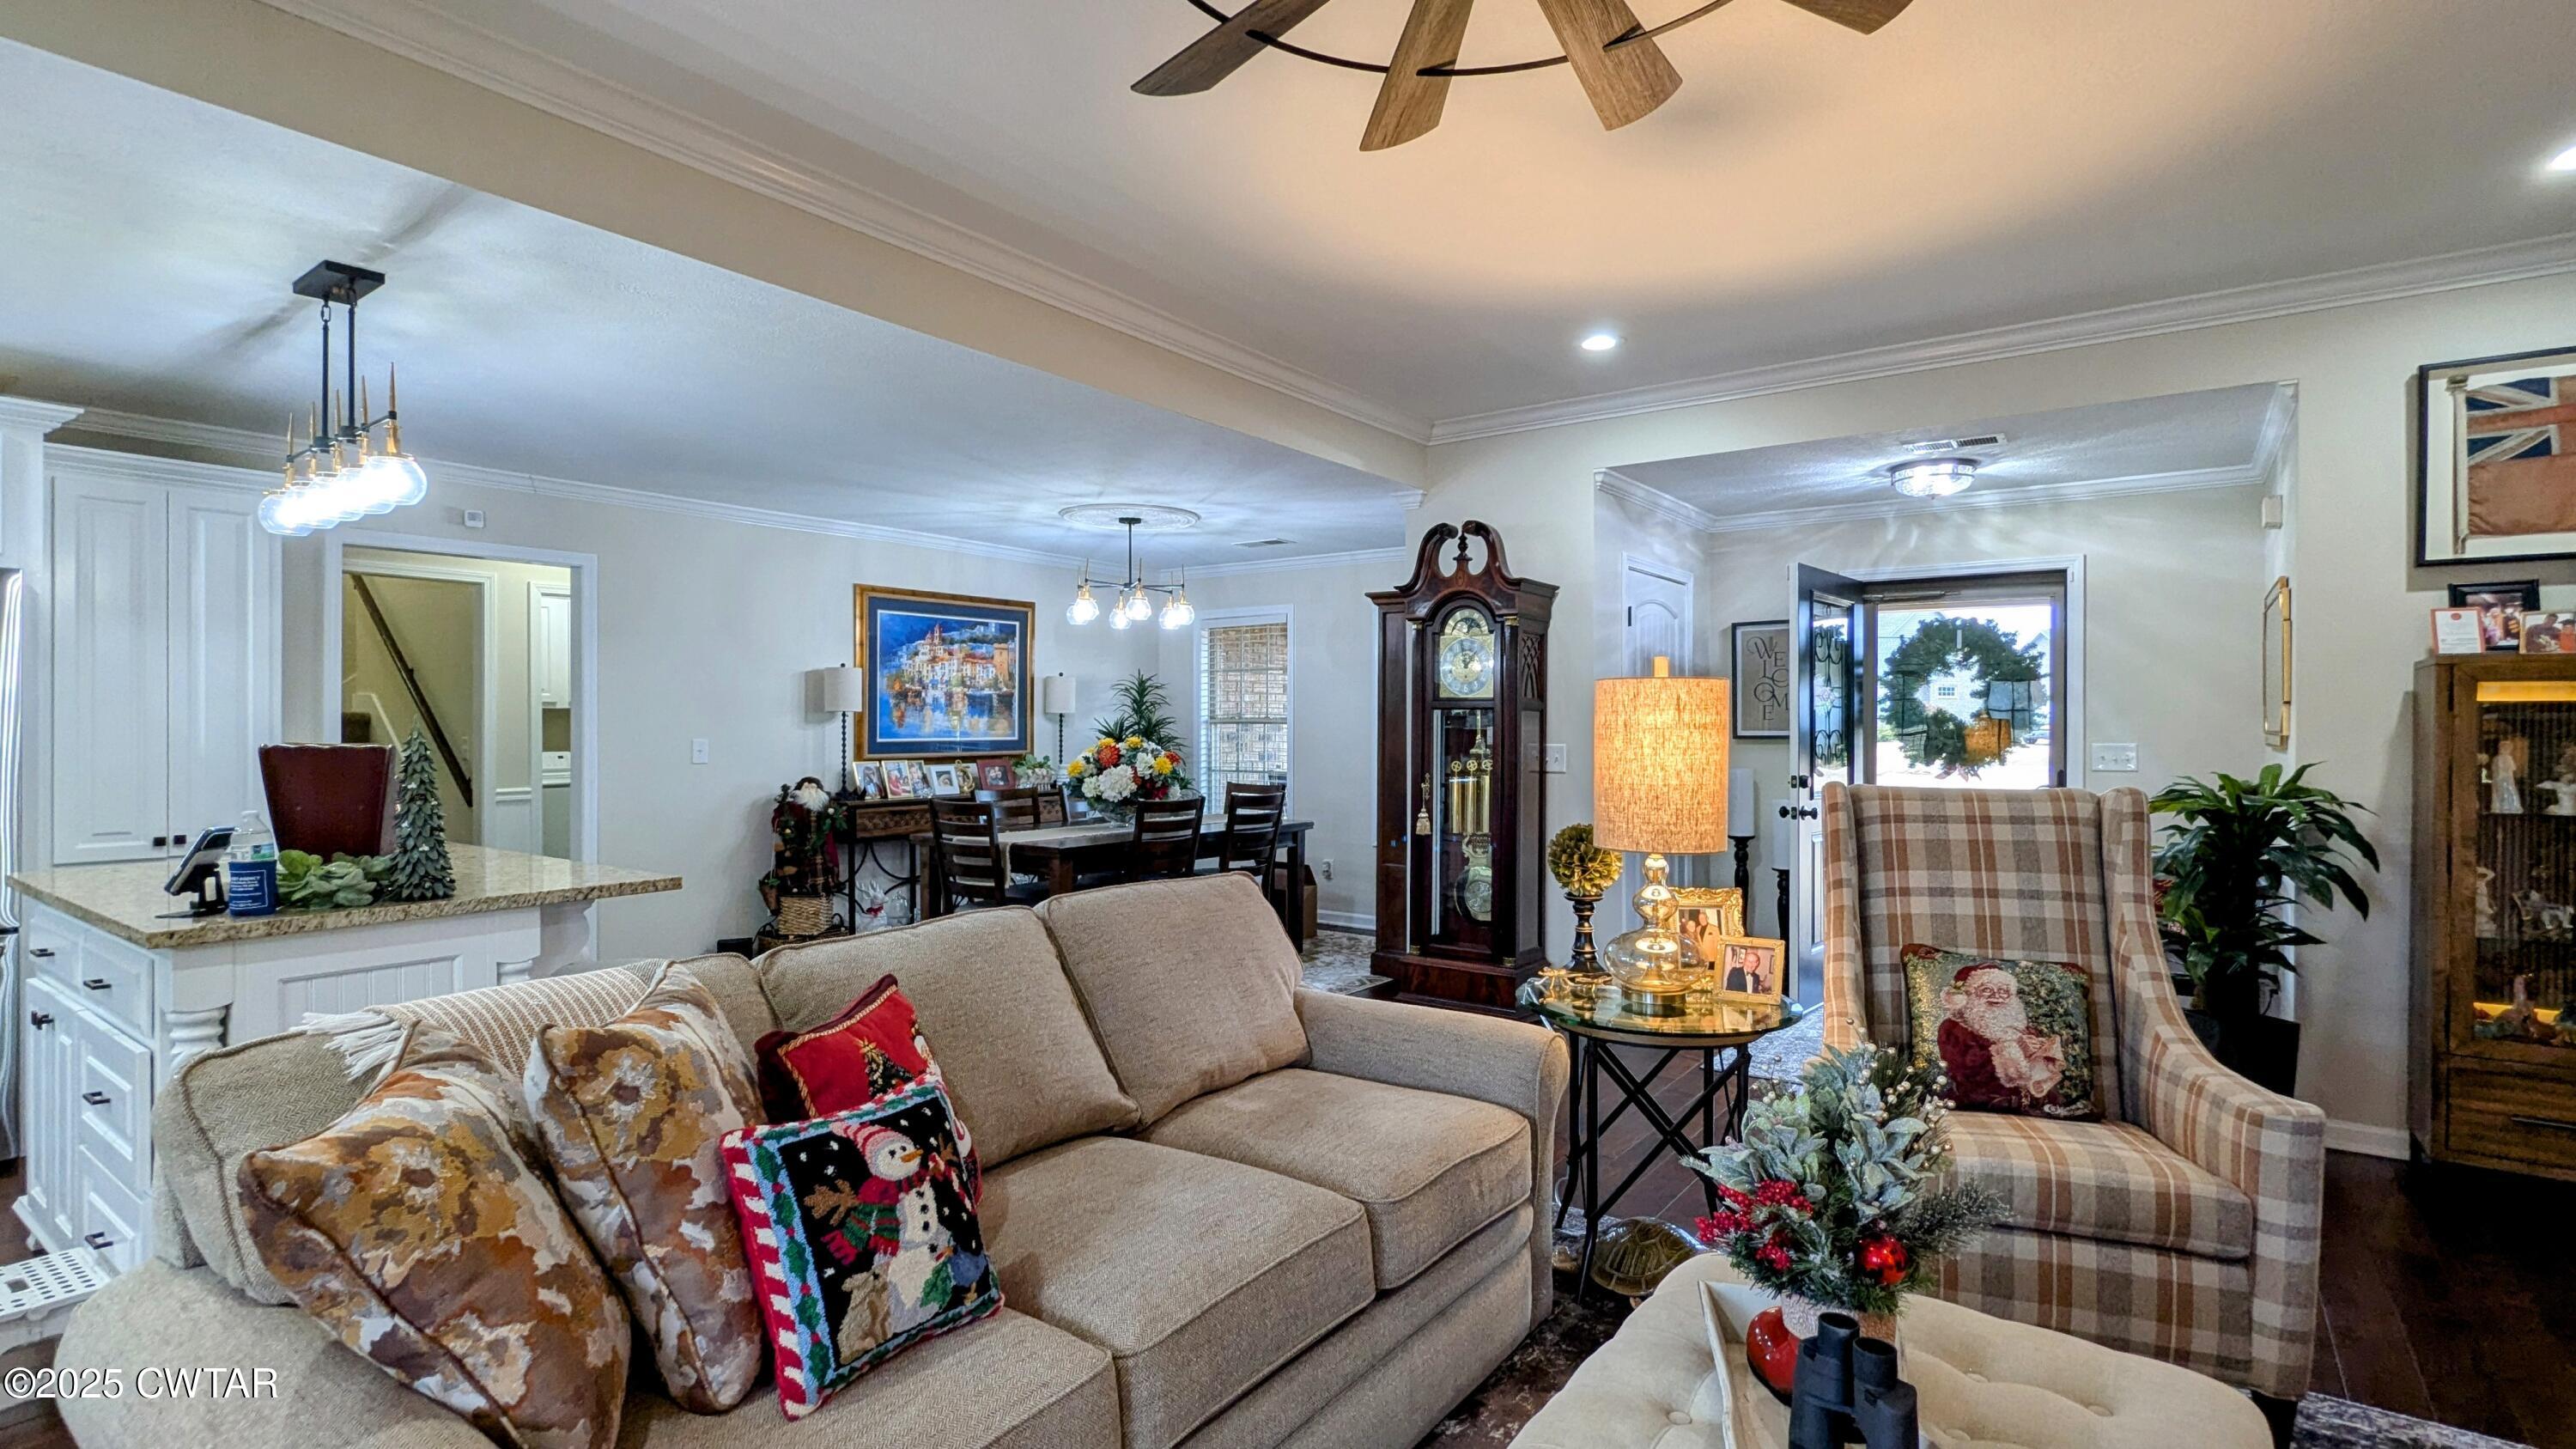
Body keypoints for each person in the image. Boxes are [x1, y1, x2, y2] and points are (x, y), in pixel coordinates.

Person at [1935, 962, 2068, 1109]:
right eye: (1987, 990)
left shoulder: (2022, 1028)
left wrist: (2044, 1055)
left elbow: (2037, 1073)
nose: (1996, 996)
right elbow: (1965, 1074)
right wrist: (2017, 1051)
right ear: (1969, 995)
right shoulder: (1953, 1028)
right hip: (1980, 1105)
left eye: (2004, 991)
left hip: (2031, 1107)